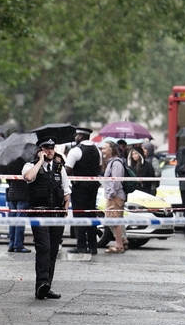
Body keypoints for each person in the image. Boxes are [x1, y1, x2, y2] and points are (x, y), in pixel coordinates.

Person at [23, 137, 70, 300]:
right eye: (46, 148)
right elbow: (28, 178)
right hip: (39, 212)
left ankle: (47, 285)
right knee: (44, 247)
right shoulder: (30, 166)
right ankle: (41, 283)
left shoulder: (59, 167)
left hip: (56, 214)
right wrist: (39, 161)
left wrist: (65, 209)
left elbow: (66, 190)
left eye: (52, 148)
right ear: (40, 150)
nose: (50, 151)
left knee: (53, 249)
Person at [64, 127, 101, 255]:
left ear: (80, 137)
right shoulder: (97, 150)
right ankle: (92, 246)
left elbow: (67, 170)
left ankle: (81, 245)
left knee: (79, 215)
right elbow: (99, 168)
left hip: (79, 187)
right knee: (91, 214)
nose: (75, 138)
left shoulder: (76, 151)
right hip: (93, 187)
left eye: (76, 136)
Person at [101, 140, 127, 254]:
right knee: (111, 220)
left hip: (115, 196)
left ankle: (119, 245)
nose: (102, 150)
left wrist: (111, 194)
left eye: (104, 148)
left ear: (111, 150)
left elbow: (116, 181)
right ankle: (121, 240)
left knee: (114, 220)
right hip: (113, 195)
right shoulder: (111, 162)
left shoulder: (116, 163)